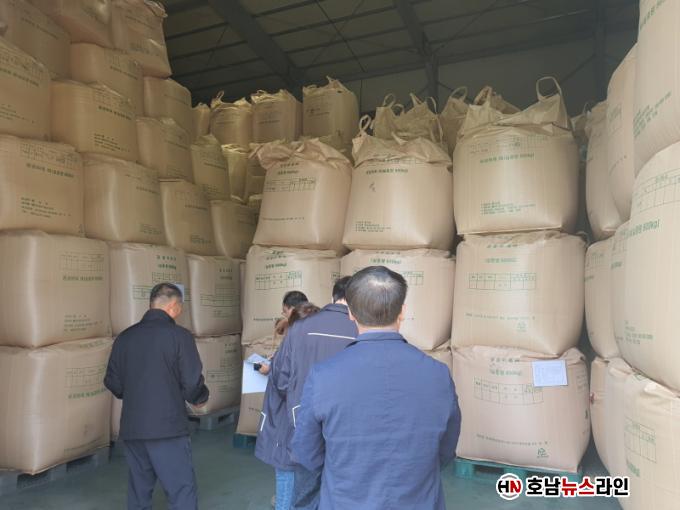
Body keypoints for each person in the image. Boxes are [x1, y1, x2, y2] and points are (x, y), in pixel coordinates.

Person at [291, 267, 461, 510]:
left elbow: (306, 451)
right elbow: (446, 449)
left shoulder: (324, 376)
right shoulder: (438, 374)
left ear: (350, 312)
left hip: (345, 501)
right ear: (402, 312)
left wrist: (342, 473)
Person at [104, 283, 209, 510]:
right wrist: (200, 397)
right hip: (167, 429)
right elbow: (191, 382)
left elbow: (113, 382)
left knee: (139, 492)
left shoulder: (125, 338)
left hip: (133, 428)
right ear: (173, 306)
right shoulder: (180, 336)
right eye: (180, 306)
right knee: (181, 491)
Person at [255, 299, 321, 510]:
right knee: (299, 483)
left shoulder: (292, 345)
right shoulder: (314, 347)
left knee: (288, 478)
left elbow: (283, 382)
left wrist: (273, 367)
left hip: (288, 426)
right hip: (301, 428)